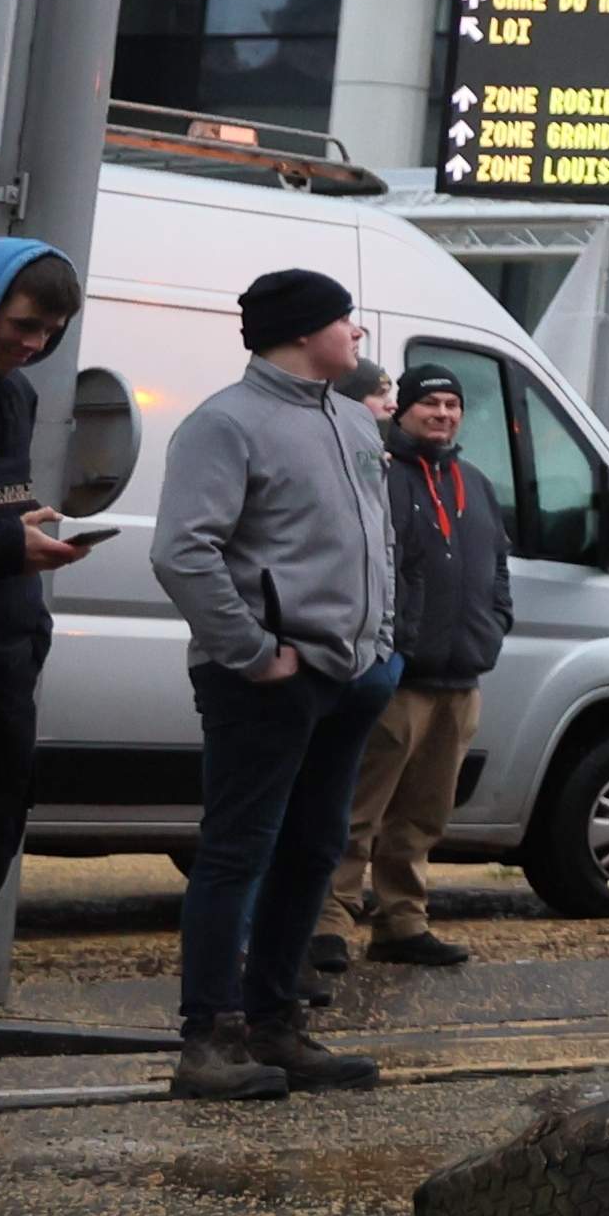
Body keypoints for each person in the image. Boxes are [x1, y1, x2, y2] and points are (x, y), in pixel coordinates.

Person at [149, 268, 399, 1102]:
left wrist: (382, 646)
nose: (357, 334)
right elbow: (182, 551)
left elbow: (377, 541)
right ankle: (209, 1039)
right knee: (237, 851)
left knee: (315, 848)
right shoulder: (224, 423)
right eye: (344, 319)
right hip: (266, 679)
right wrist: (252, 653)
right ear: (300, 331)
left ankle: (275, 1024)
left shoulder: (353, 420)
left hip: (349, 675)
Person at [0, 240, 92, 1046]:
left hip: (1, 667)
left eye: (51, 333)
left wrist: (20, 533)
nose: (34, 346)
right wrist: (4, 544)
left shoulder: (15, 395)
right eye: (25, 325)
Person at [332, 368, 512, 972]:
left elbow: (498, 565)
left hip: (460, 680)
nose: (443, 413)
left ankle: (402, 923)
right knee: (358, 811)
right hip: (396, 678)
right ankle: (328, 921)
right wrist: (388, 647)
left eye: (452, 403)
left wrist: (495, 623)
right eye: (430, 402)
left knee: (424, 815)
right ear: (403, 410)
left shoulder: (475, 483)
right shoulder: (381, 476)